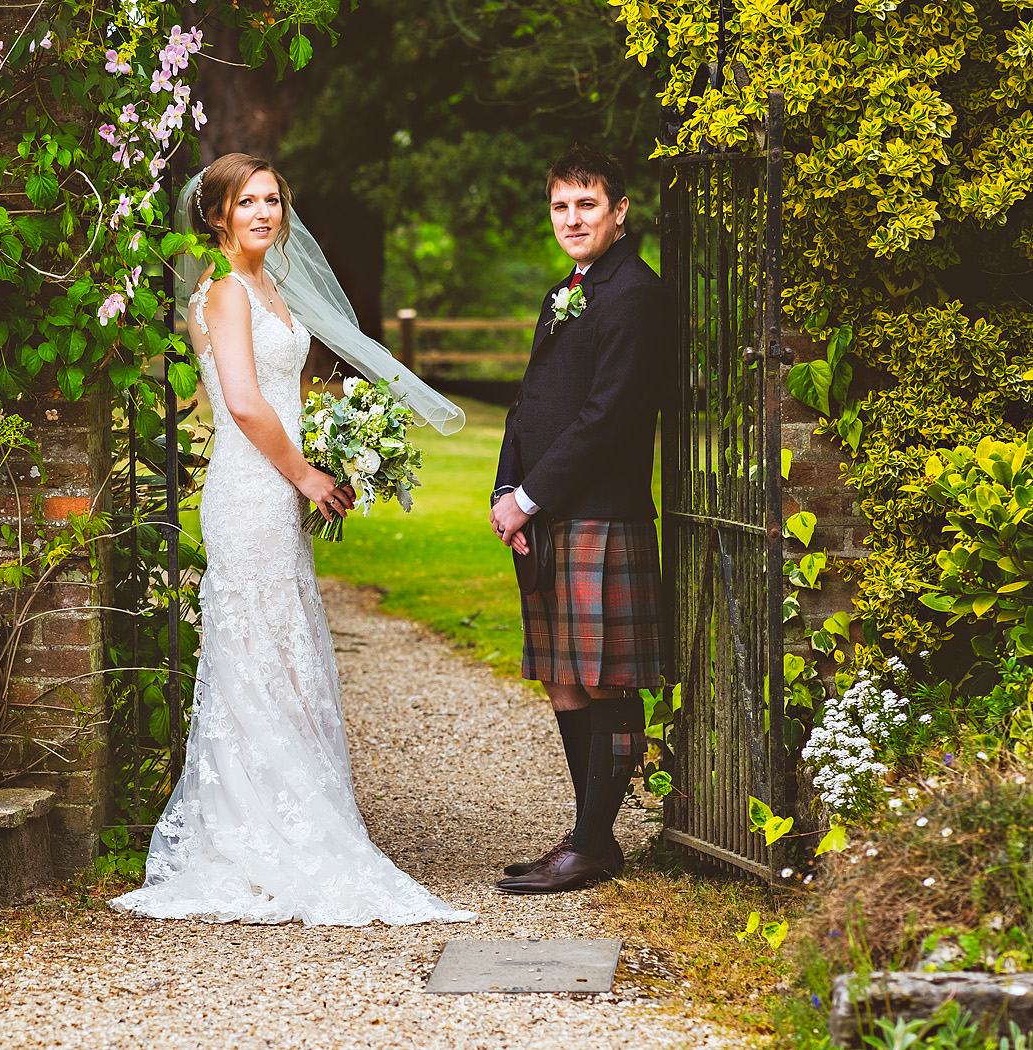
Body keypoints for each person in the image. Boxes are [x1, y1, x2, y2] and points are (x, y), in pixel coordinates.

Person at [110, 153, 473, 926]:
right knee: (256, 647)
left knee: (286, 648)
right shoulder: (224, 294)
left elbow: (284, 388)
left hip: (276, 484)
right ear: (216, 217)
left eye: (272, 200)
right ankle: (250, 831)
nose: (265, 214)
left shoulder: (271, 286)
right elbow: (241, 402)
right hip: (250, 488)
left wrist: (333, 446)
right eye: (247, 203)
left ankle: (298, 812)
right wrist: (307, 474)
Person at [487, 145, 667, 895]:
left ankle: (592, 845)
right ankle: (589, 837)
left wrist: (528, 497)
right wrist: (506, 484)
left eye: (586, 205)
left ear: (619, 211)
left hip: (599, 513)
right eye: (561, 206)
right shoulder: (568, 288)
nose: (572, 218)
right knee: (564, 679)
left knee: (607, 683)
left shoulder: (634, 294)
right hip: (552, 510)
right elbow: (530, 401)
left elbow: (608, 419)